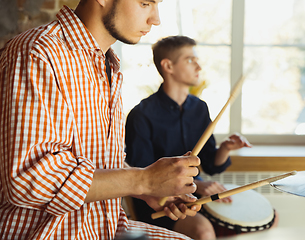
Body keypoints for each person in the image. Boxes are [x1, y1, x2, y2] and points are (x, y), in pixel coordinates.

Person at [0, 1, 203, 239]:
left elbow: (98, 162)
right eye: (145, 3)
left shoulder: (108, 64)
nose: (155, 19)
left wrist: (149, 189)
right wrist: (143, 180)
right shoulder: (37, 52)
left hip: (105, 228)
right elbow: (28, 179)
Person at [125, 35, 252, 240]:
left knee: (267, 218)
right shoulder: (141, 114)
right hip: (162, 202)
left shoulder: (199, 108)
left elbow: (211, 164)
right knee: (202, 231)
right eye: (190, 60)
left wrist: (226, 148)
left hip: (195, 195)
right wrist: (199, 185)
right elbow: (144, 176)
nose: (198, 67)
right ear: (168, 66)